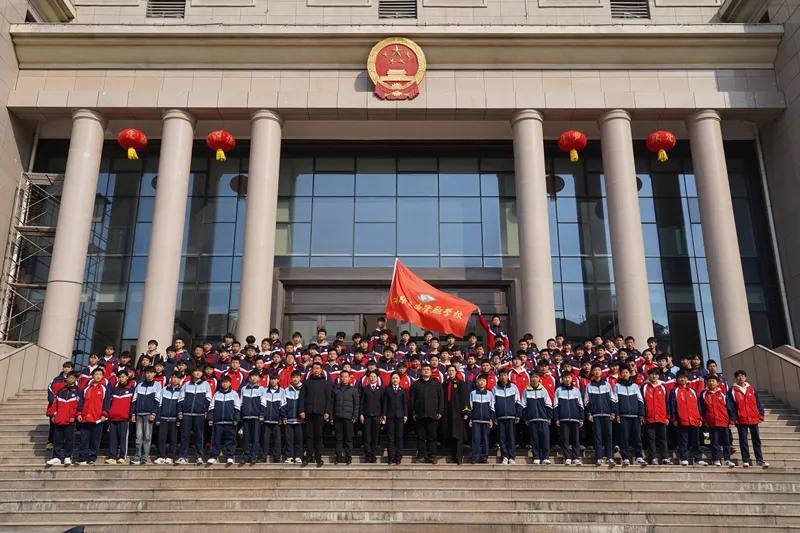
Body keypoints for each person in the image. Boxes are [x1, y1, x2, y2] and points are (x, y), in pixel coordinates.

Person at [728, 370, 768, 468]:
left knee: (756, 440)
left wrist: (761, 414)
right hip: (741, 419)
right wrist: (733, 418)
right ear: (736, 378)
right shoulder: (732, 390)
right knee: (743, 441)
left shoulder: (752, 389)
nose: (740, 378)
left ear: (745, 377)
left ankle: (759, 460)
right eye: (738, 376)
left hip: (753, 418)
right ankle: (745, 460)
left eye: (742, 376)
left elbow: (758, 403)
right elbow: (731, 406)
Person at [668, 371, 706, 466]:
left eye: (684, 377)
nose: (682, 379)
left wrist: (700, 418)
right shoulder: (674, 391)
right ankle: (684, 458)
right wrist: (674, 419)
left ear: (687, 379)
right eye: (680, 377)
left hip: (694, 419)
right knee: (683, 441)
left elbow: (698, 405)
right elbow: (672, 405)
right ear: (677, 380)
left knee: (696, 441)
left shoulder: (692, 390)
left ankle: (698, 459)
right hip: (682, 420)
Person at [176, 366, 213, 464]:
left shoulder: (206, 384)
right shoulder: (186, 384)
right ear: (192, 373)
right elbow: (180, 399)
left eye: (199, 371)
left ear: (202, 373)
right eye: (195, 371)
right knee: (185, 436)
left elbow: (208, 399)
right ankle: (183, 456)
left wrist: (205, 410)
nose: (197, 373)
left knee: (199, 435)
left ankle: (199, 456)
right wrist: (180, 411)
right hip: (187, 414)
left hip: (199, 414)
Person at [299, 361, 332, 467]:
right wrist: (301, 410)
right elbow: (302, 397)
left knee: (318, 436)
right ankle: (308, 456)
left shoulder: (326, 383)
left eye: (318, 368)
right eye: (314, 368)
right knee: (309, 435)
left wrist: (327, 412)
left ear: (321, 370)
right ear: (311, 370)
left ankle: (318, 458)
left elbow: (329, 399)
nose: (316, 370)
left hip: (320, 413)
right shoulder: (306, 382)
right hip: (308, 412)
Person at [410, 363, 444, 464]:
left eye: (428, 369)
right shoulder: (416, 384)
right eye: (424, 369)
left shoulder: (436, 384)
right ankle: (421, 456)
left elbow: (441, 399)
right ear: (421, 371)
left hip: (433, 415)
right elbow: (412, 400)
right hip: (419, 415)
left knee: (432, 437)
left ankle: (432, 456)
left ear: (431, 371)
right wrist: (413, 413)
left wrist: (440, 411)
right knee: (420, 437)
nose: (426, 371)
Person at [584, 364, 617, 466]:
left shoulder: (607, 385)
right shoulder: (589, 386)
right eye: (595, 370)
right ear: (592, 372)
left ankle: (609, 457)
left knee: (608, 436)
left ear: (601, 372)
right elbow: (586, 401)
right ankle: (599, 457)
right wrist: (589, 414)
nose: (597, 372)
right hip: (595, 415)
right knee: (597, 436)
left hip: (607, 415)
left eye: (599, 370)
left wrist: (613, 412)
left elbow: (612, 399)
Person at [46, 371, 80, 466]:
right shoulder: (61, 391)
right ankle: (56, 457)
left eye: (72, 378)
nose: (70, 379)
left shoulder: (78, 391)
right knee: (57, 439)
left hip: (70, 420)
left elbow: (78, 406)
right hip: (59, 418)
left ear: (75, 379)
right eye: (69, 377)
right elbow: (55, 404)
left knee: (69, 439)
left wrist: (74, 416)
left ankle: (67, 456)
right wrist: (54, 415)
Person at [77, 367, 110, 465]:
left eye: (100, 374)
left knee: (95, 440)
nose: (98, 376)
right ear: (92, 376)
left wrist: (104, 414)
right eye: (96, 374)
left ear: (102, 376)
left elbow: (107, 402)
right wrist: (79, 413)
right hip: (86, 418)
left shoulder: (105, 388)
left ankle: (92, 458)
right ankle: (82, 458)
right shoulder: (86, 388)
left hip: (98, 419)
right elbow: (81, 402)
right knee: (84, 439)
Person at [699, 375, 735, 467]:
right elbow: (701, 409)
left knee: (726, 442)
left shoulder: (723, 393)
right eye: (709, 381)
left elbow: (729, 407)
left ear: (717, 383)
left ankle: (727, 459)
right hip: (711, 422)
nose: (711, 383)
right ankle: (716, 459)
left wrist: (731, 419)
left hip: (724, 421)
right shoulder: (704, 394)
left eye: (713, 381)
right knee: (714, 442)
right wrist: (704, 420)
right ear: (707, 383)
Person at [130, 366, 162, 465]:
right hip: (139, 414)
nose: (149, 374)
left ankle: (145, 456)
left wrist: (154, 413)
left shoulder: (157, 385)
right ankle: (137, 456)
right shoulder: (139, 385)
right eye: (147, 373)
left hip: (149, 414)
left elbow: (157, 400)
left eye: (151, 373)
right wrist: (133, 413)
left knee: (147, 436)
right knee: (138, 436)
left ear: (154, 374)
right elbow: (134, 400)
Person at [207, 375, 241, 465]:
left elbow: (237, 408)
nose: (225, 384)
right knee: (215, 440)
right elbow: (211, 407)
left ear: (230, 383)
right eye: (223, 382)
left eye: (226, 382)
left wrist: (236, 419)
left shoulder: (234, 394)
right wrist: (210, 418)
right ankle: (213, 457)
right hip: (217, 422)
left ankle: (230, 456)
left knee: (230, 440)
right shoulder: (217, 394)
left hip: (230, 422)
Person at [615, 366, 645, 466]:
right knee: (624, 437)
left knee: (637, 436)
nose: (625, 374)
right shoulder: (617, 386)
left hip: (635, 416)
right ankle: (625, 457)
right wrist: (617, 414)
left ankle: (639, 456)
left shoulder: (635, 386)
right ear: (620, 374)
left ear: (629, 374)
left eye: (626, 372)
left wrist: (641, 414)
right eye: (623, 372)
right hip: (623, 415)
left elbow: (640, 400)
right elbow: (615, 401)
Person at [521, 372, 553, 465]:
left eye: (536, 377)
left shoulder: (543, 390)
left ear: (539, 379)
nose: (534, 379)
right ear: (530, 378)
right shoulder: (526, 391)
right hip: (532, 419)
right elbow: (524, 406)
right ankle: (536, 457)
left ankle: (545, 457)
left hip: (543, 419)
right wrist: (526, 418)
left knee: (545, 439)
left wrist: (549, 417)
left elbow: (548, 404)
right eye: (533, 377)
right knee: (534, 439)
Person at [641, 367, 670, 465]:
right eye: (652, 374)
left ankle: (665, 457)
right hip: (649, 417)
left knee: (663, 438)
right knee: (651, 439)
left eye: (656, 374)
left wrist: (667, 416)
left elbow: (667, 402)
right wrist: (643, 416)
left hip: (661, 417)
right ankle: (653, 457)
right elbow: (642, 402)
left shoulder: (663, 387)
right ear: (649, 375)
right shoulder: (644, 387)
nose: (654, 376)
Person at [493, 368, 522, 465]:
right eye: (501, 375)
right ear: (499, 377)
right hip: (500, 417)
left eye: (505, 375)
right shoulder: (495, 388)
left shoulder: (514, 387)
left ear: (507, 376)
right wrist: (494, 417)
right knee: (502, 438)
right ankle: (504, 456)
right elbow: (492, 404)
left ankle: (512, 457)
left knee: (511, 438)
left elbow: (518, 402)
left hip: (511, 417)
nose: (503, 377)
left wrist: (518, 415)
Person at [555, 371, 584, 466]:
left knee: (575, 439)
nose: (567, 379)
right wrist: (557, 418)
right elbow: (555, 405)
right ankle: (567, 457)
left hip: (575, 418)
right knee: (565, 439)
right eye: (565, 378)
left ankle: (576, 457)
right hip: (563, 418)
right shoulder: (558, 390)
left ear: (572, 379)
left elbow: (581, 405)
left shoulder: (576, 390)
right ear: (562, 379)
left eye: (568, 377)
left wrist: (581, 418)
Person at [442, 365, 469, 465]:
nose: (451, 372)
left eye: (452, 370)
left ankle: (459, 457)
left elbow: (465, 397)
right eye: (449, 370)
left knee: (458, 435)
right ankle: (453, 456)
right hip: (447, 412)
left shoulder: (461, 383)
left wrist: (465, 412)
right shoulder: (445, 384)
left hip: (458, 412)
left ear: (456, 372)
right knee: (451, 434)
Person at [106, 370, 134, 464]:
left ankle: (122, 456)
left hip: (124, 418)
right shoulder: (114, 390)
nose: (121, 379)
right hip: (113, 418)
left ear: (127, 377)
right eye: (120, 377)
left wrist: (131, 414)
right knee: (112, 438)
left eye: (123, 377)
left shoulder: (131, 390)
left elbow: (132, 404)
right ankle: (112, 456)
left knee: (123, 438)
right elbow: (110, 403)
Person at [332, 369, 359, 465]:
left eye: (346, 377)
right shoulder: (335, 389)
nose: (344, 378)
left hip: (349, 418)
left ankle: (348, 456)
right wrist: (331, 416)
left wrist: (355, 416)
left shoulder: (353, 390)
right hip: (338, 417)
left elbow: (356, 405)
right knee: (338, 438)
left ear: (349, 378)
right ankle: (338, 456)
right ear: (340, 378)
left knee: (348, 439)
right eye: (342, 377)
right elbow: (332, 404)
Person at [155, 371, 182, 464]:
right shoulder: (164, 389)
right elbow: (159, 404)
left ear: (180, 380)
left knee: (173, 439)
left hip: (174, 419)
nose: (175, 379)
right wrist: (158, 418)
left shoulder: (182, 391)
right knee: (161, 438)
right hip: (163, 417)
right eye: (173, 377)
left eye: (177, 378)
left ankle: (170, 456)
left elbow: (181, 406)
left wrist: (179, 419)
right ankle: (161, 456)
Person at [46, 361, 75, 450]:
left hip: (67, 407)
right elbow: (50, 389)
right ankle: (51, 442)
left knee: (66, 427)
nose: (66, 369)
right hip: (55, 406)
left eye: (68, 367)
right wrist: (53, 399)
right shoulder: (56, 379)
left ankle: (63, 443)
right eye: (65, 367)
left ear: (72, 369)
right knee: (53, 425)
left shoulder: (74, 380)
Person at [240, 371, 265, 464]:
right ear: (249, 378)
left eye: (256, 376)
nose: (254, 378)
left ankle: (254, 456)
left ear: (258, 378)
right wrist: (241, 415)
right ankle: (246, 455)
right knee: (246, 437)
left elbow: (263, 403)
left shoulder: (262, 389)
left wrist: (262, 414)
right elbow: (241, 402)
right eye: (252, 376)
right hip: (246, 417)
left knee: (255, 438)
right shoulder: (243, 389)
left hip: (256, 417)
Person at [468, 374, 495, 464]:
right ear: (477, 383)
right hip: (475, 420)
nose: (481, 382)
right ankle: (475, 457)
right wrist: (470, 419)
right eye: (480, 381)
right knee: (475, 439)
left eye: (483, 381)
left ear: (486, 383)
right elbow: (470, 407)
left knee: (485, 440)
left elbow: (492, 407)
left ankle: (484, 457)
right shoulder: (473, 393)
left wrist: (491, 419)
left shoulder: (490, 394)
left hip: (486, 420)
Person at [383, 372, 408, 465]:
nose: (395, 380)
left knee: (399, 437)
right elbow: (385, 403)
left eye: (396, 378)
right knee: (390, 437)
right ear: (391, 379)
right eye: (393, 378)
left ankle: (398, 457)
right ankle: (391, 457)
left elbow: (405, 404)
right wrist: (384, 414)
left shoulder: (402, 390)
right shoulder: (387, 390)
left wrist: (405, 415)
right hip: (390, 416)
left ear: (399, 379)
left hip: (400, 416)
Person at [360, 371, 384, 464]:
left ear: (377, 378)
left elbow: (383, 403)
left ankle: (373, 455)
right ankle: (368, 455)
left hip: (377, 416)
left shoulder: (381, 389)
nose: (372, 378)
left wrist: (383, 415)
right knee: (367, 437)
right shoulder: (365, 389)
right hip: (367, 416)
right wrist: (361, 414)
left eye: (374, 376)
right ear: (368, 378)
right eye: (371, 376)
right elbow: (362, 402)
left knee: (375, 437)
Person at [262, 373, 285, 463]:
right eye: (271, 379)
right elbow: (263, 404)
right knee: (265, 439)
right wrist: (262, 415)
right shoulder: (264, 391)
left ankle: (277, 457)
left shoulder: (282, 391)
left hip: (277, 421)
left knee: (277, 439)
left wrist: (282, 417)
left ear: (278, 380)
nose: (273, 381)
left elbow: (283, 405)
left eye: (275, 379)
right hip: (266, 420)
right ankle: (264, 456)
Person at [282, 370, 304, 464]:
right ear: (291, 378)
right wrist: (284, 416)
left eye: (297, 377)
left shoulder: (303, 389)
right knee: (289, 439)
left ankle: (298, 456)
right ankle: (289, 456)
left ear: (300, 378)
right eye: (293, 377)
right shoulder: (286, 390)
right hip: (289, 419)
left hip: (300, 420)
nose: (295, 379)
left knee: (299, 439)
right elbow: (283, 404)